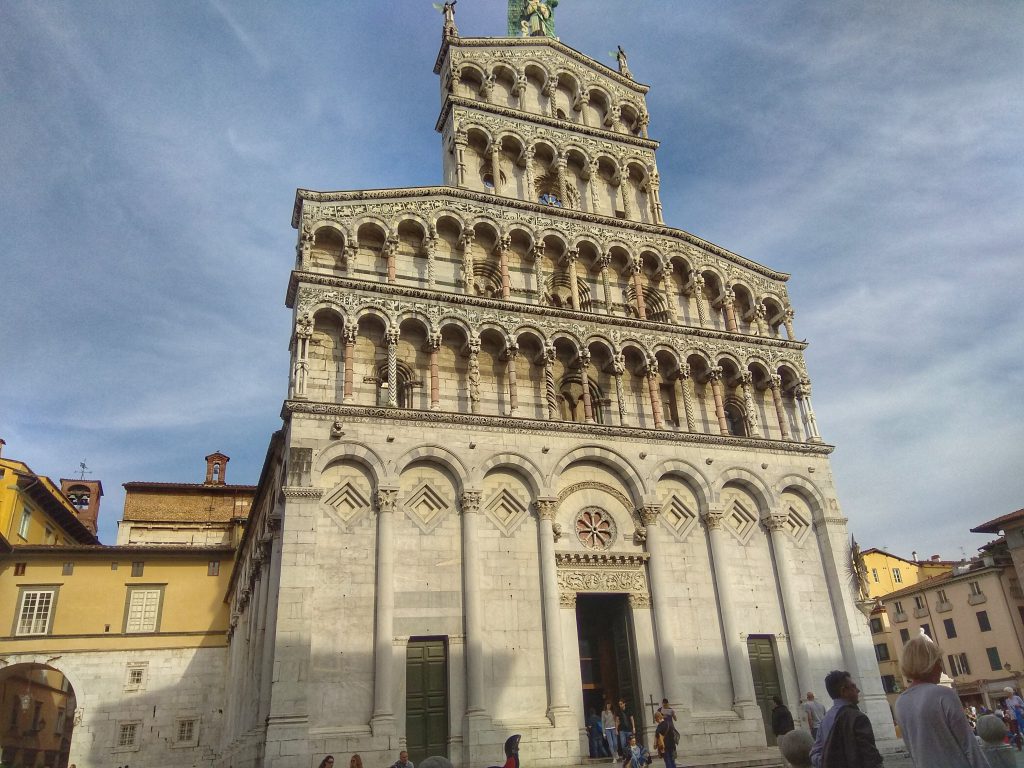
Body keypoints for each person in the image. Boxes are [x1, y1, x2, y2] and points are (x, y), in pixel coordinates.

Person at [894, 635, 988, 767]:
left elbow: (912, 749)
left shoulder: (900, 702)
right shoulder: (944, 695)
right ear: (928, 664)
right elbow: (968, 744)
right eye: (938, 662)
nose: (941, 668)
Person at [808, 670, 882, 768]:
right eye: (853, 686)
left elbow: (815, 752)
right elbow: (870, 757)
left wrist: (827, 763)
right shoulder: (858, 718)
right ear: (843, 691)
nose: (858, 690)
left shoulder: (826, 719)